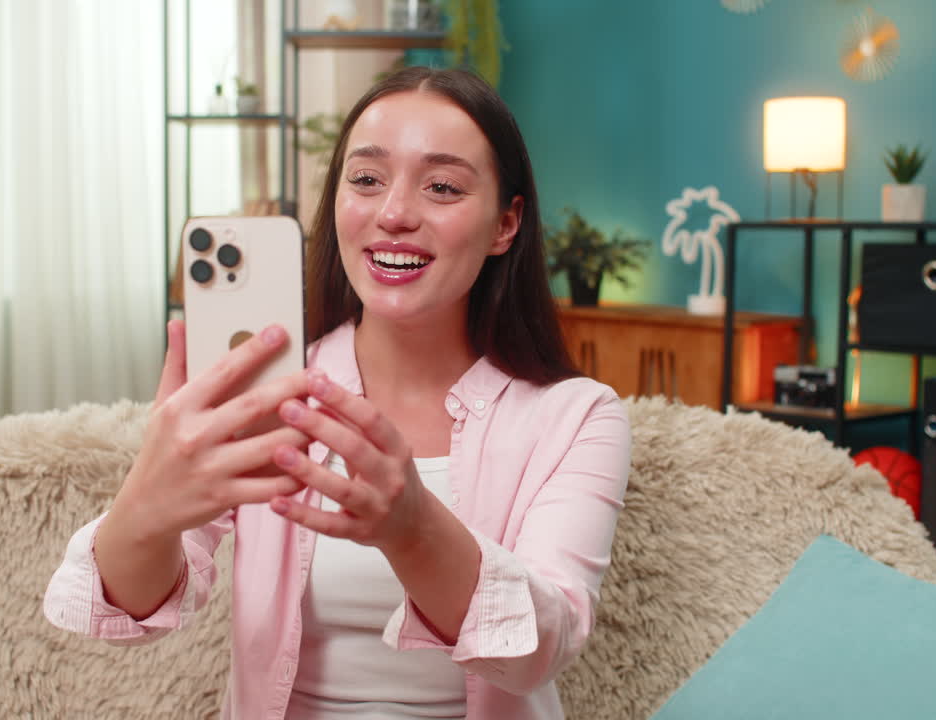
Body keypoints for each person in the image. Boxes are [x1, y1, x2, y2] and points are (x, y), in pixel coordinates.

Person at [44, 66, 630, 719]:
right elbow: (129, 604)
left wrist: (411, 528)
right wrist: (146, 503)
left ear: (505, 223)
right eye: (367, 179)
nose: (395, 214)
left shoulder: (576, 418)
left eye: (441, 186)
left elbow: (542, 651)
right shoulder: (269, 391)